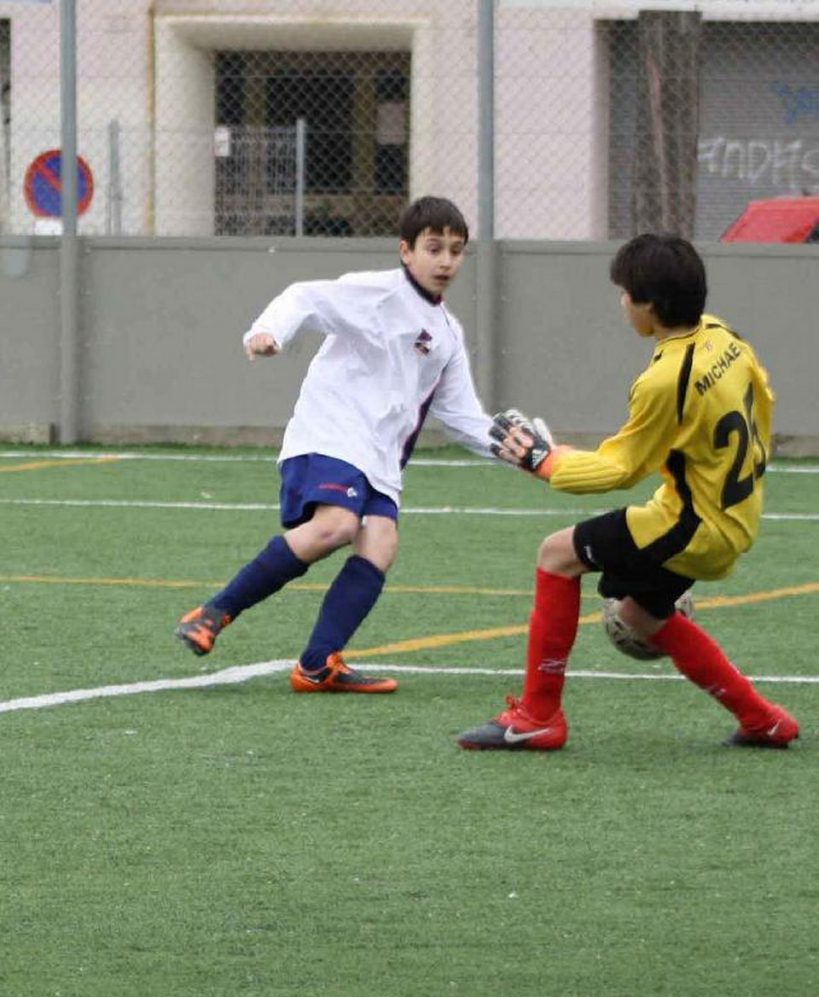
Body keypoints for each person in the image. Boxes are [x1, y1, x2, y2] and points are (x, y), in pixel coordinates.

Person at [457, 232, 800, 750]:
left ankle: (539, 716)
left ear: (651, 306)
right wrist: (560, 454)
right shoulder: (723, 338)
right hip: (733, 516)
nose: (622, 303)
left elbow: (620, 469)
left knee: (556, 555)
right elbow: (762, 400)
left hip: (691, 527)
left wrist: (541, 463)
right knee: (638, 616)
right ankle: (765, 720)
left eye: (626, 294)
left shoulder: (666, 379)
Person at [176, 196, 493, 693]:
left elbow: (461, 415)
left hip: (381, 459)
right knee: (339, 525)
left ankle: (318, 665)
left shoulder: (448, 334)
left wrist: (529, 456)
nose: (447, 261)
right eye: (435, 248)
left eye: (456, 250)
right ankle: (213, 612)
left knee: (381, 543)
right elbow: (303, 296)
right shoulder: (375, 293)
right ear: (406, 251)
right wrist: (268, 333)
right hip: (332, 435)